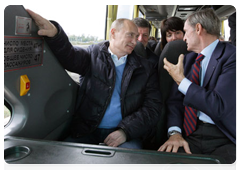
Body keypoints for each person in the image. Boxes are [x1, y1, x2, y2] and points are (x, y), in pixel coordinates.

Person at [27, 9, 162, 149]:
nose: (135, 41)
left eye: (137, 36)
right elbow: (70, 56)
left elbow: (152, 108)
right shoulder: (92, 55)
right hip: (87, 130)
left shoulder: (146, 68)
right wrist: (55, 34)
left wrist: (125, 131)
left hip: (126, 135)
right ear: (113, 33)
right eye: (130, 35)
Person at [158, 8, 237, 170]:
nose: (184, 38)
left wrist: (182, 81)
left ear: (199, 29)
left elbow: (218, 105)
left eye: (186, 32)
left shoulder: (233, 57)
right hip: (189, 134)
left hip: (224, 137)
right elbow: (174, 102)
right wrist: (175, 133)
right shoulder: (187, 60)